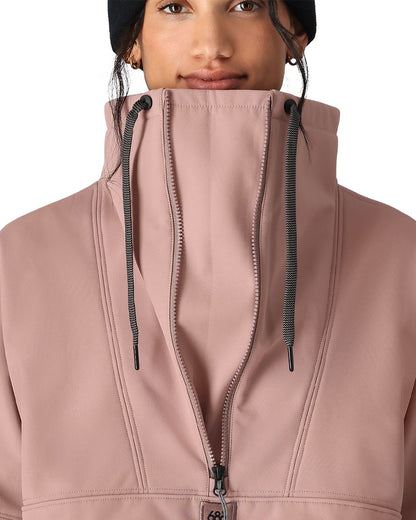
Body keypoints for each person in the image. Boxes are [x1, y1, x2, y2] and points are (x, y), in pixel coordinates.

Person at [0, 1, 415, 519]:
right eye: (175, 7)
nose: (212, 46)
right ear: (132, 40)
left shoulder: (401, 263)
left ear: (295, 32)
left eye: (245, 4)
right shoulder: (19, 266)